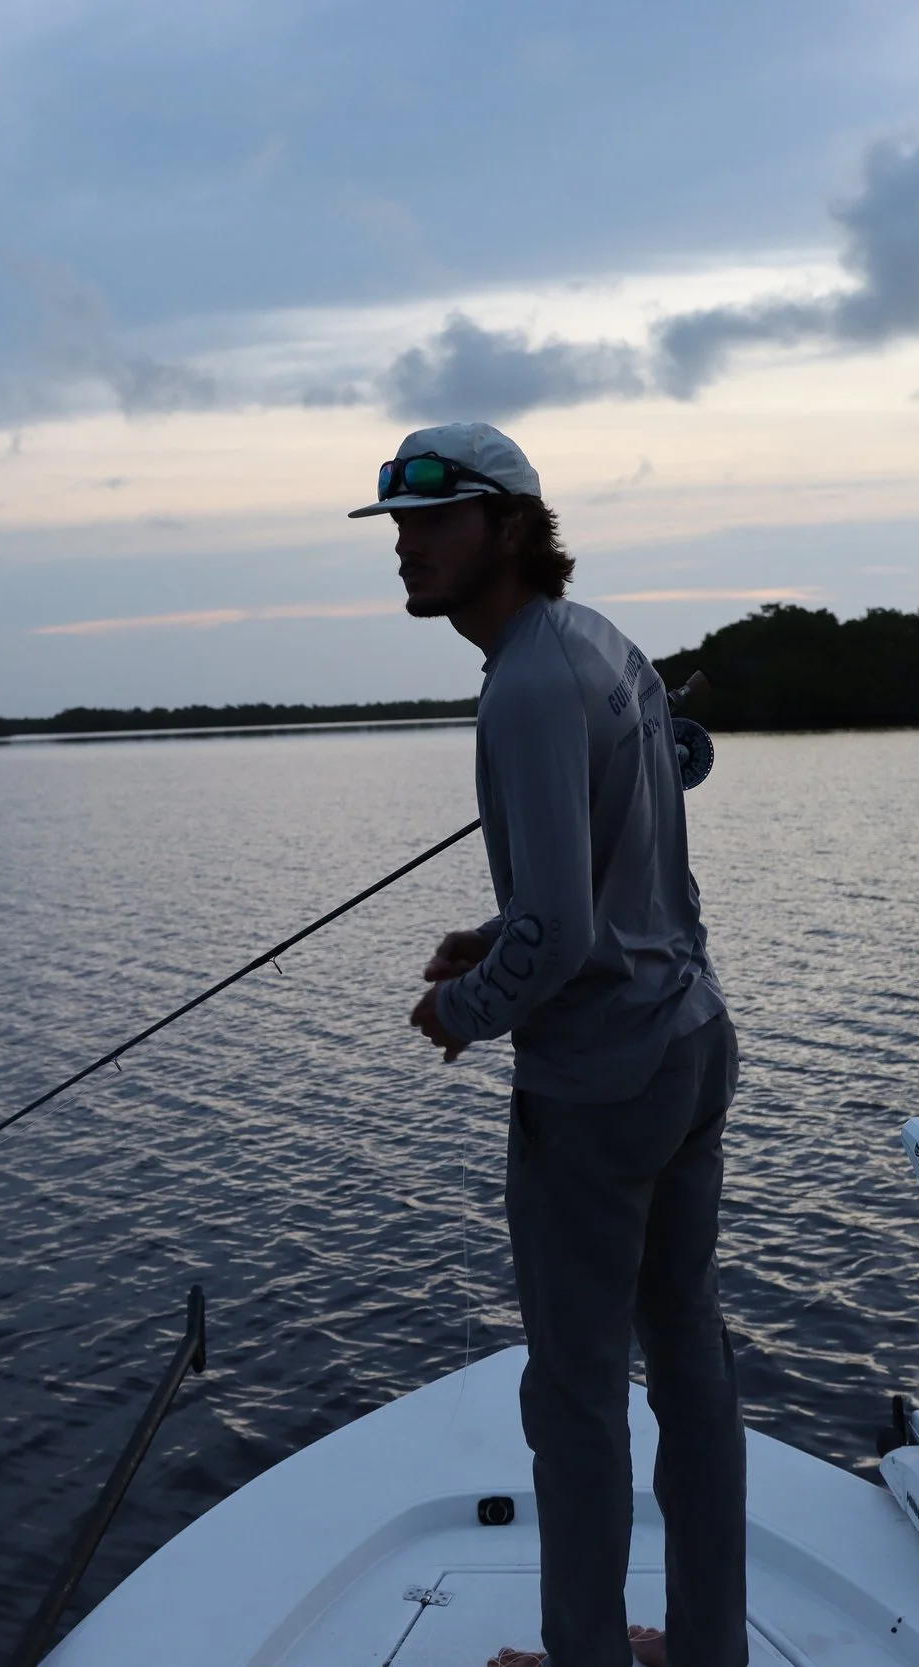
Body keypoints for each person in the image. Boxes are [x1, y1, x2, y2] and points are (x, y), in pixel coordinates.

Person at [350, 423, 745, 1667]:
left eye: (433, 519)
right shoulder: (600, 645)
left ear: (511, 526)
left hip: (602, 1081)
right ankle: (704, 1647)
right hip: (691, 1040)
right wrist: (496, 927)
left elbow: (567, 932)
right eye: (398, 526)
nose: (405, 545)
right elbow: (615, 868)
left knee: (574, 1398)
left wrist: (459, 1011)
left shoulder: (524, 676)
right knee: (688, 1360)